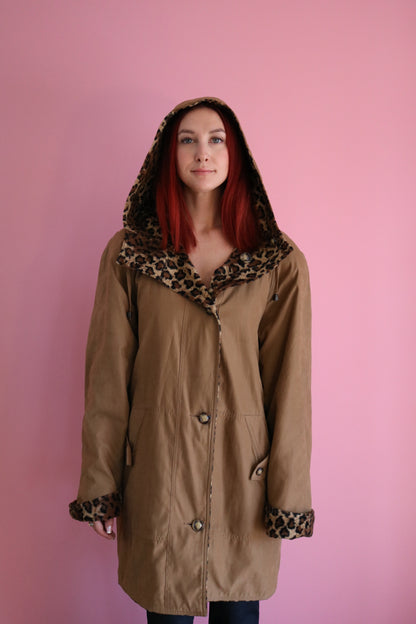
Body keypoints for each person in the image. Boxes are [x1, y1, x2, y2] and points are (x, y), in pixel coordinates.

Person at [69, 97, 314, 623]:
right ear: (169, 153)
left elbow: (289, 386)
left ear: (235, 153)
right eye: (188, 139)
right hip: (159, 472)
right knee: (167, 612)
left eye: (216, 139)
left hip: (243, 479)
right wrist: (100, 484)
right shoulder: (130, 254)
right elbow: (108, 376)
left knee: (238, 612)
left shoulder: (276, 260)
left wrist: (288, 494)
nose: (203, 152)